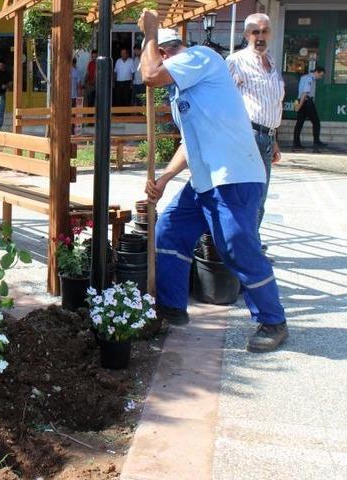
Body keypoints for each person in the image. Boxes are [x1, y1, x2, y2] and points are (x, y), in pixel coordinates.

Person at [138, 11, 288, 353]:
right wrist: (163, 179)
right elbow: (189, 145)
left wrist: (148, 34)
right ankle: (172, 308)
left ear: (166, 52)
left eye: (158, 52)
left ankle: (273, 320)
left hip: (234, 174)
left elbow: (150, 75)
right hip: (206, 180)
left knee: (237, 246)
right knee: (170, 230)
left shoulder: (199, 57)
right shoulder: (182, 94)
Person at [226, 13, 285, 245]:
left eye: (264, 31)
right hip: (247, 136)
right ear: (246, 34)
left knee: (260, 197)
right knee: (246, 196)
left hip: (266, 137)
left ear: (271, 33)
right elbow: (225, 102)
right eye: (255, 31)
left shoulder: (271, 61)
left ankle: (251, 244)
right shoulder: (236, 61)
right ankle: (243, 247)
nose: (260, 36)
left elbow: (271, 104)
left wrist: (275, 138)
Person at [293, 66, 327, 152]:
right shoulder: (310, 79)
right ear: (317, 72)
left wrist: (299, 103)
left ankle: (296, 143)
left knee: (299, 123)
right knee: (316, 122)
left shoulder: (304, 77)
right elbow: (305, 92)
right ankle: (316, 142)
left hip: (302, 100)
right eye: (321, 75)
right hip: (307, 102)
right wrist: (301, 104)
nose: (320, 77)